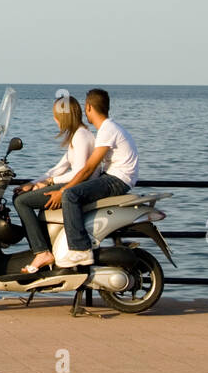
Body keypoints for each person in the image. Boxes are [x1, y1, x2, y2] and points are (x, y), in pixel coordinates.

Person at [42, 88, 138, 266]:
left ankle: (80, 250)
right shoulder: (109, 127)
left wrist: (63, 190)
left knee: (71, 196)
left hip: (117, 179)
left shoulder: (107, 130)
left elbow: (88, 168)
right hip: (114, 176)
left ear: (88, 107)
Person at [13, 94, 94, 273]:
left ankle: (42, 252)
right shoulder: (77, 135)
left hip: (78, 187)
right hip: (75, 184)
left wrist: (49, 182)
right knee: (23, 195)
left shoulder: (81, 136)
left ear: (64, 116)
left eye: (56, 115)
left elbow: (79, 171)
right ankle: (44, 247)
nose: (54, 119)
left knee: (21, 202)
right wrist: (33, 183)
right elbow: (60, 167)